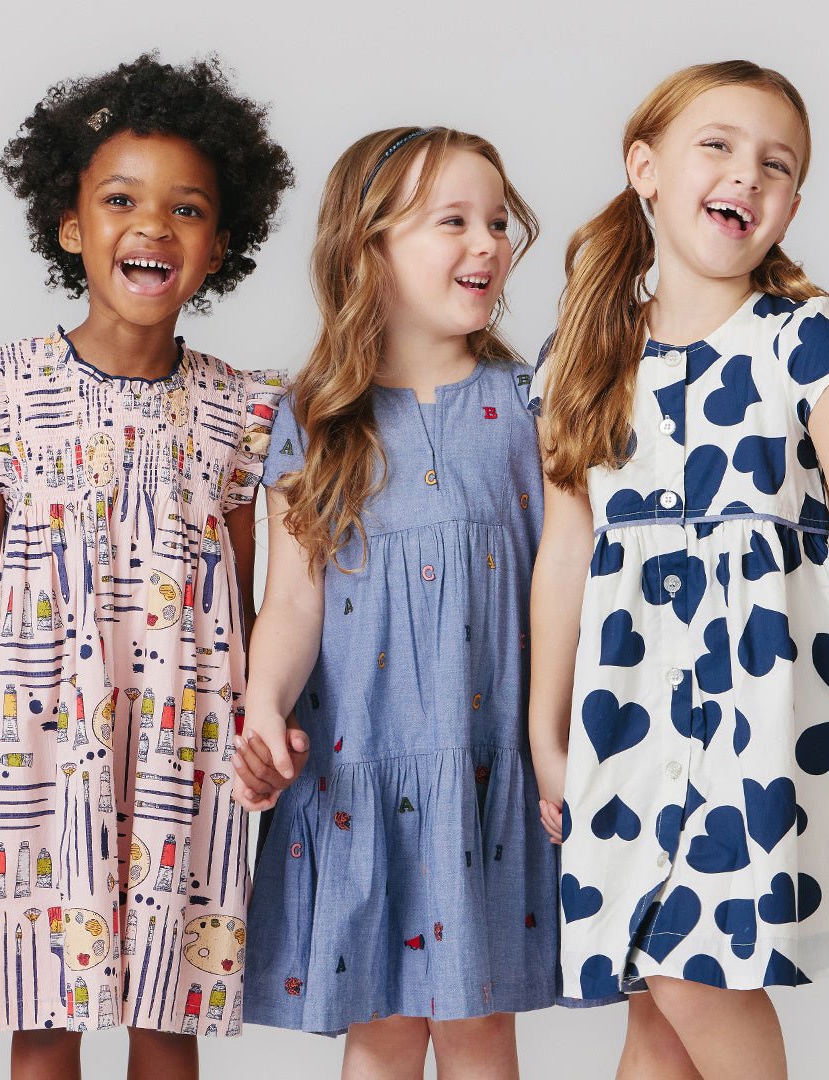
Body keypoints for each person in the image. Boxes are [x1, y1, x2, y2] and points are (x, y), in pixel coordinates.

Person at [527, 60, 829, 1080]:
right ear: (645, 168)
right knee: (655, 1001)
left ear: (791, 206)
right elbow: (564, 554)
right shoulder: (578, 361)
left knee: (690, 974)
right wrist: (544, 732)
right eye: (719, 145)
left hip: (756, 709)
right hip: (628, 721)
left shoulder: (803, 339)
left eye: (778, 164)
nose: (748, 173)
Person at [0, 53, 292, 1079]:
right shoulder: (4, 393)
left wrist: (262, 735)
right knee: (43, 1020)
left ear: (220, 245)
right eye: (121, 200)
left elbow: (248, 605)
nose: (154, 227)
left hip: (188, 760)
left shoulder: (241, 412)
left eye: (188, 209)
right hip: (38, 767)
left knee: (166, 1023)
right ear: (70, 225)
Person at [234, 126, 554, 1079]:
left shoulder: (532, 404)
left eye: (497, 222)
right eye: (453, 221)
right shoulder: (314, 420)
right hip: (358, 766)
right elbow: (292, 602)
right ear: (366, 249)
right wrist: (263, 706)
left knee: (479, 1028)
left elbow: (567, 579)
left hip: (486, 762)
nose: (488, 243)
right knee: (378, 1025)